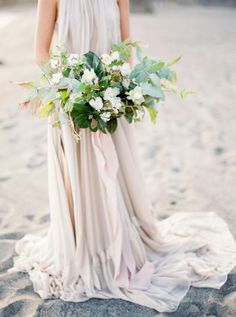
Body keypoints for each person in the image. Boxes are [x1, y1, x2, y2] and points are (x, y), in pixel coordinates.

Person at [8, 0, 236, 313]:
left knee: (116, 175)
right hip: (70, 103)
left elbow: (126, 45)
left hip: (111, 101)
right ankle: (86, 249)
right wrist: (73, 90)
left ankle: (117, 247)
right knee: (81, 177)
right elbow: (41, 54)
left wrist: (116, 86)